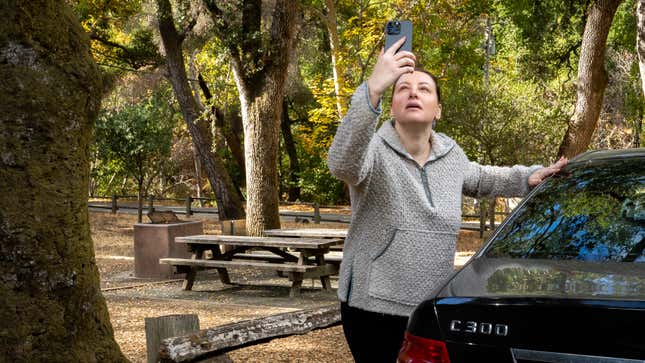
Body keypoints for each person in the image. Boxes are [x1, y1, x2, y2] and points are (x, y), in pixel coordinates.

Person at [327, 37, 567, 363]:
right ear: (392, 106)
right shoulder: (373, 153)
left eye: (424, 89)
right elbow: (342, 162)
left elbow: (484, 177)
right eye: (403, 88)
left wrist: (529, 176)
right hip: (372, 308)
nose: (413, 92)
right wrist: (373, 88)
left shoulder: (451, 156)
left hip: (430, 308)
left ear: (438, 109)